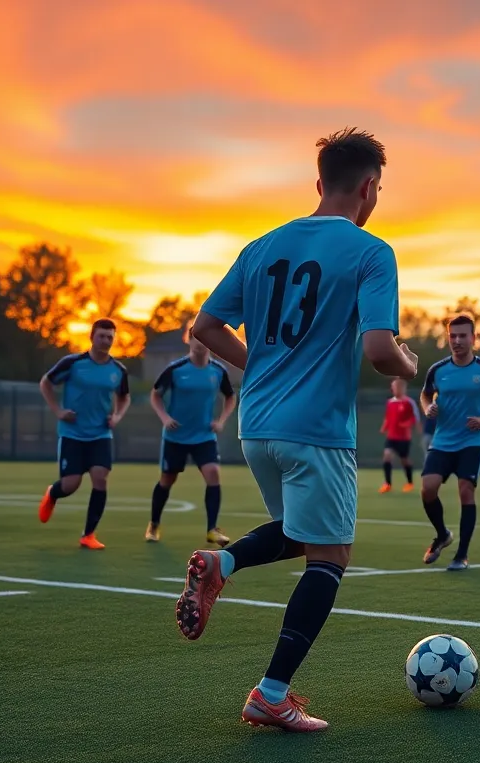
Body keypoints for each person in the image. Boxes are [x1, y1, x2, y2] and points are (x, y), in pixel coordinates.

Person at [181, 128, 418, 732]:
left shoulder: (262, 247)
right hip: (315, 429)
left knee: (299, 532)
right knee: (330, 557)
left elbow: (204, 329)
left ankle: (223, 564)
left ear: (319, 183)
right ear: (370, 188)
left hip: (255, 425)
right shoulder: (370, 252)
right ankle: (271, 693)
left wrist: (258, 365)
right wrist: (411, 364)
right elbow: (379, 349)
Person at [419, 316, 480, 571]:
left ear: (473, 338)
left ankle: (461, 555)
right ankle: (442, 535)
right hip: (443, 440)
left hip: (472, 440)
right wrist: (428, 408)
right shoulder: (438, 370)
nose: (457, 341)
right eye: (453, 336)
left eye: (462, 336)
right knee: (427, 488)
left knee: (465, 489)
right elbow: (425, 395)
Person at [37, 319, 131, 550]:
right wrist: (58, 411)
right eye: (102, 336)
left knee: (100, 477)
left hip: (100, 434)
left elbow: (124, 396)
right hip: (73, 434)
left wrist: (117, 416)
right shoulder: (73, 363)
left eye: (110, 337)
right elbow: (46, 383)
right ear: (91, 337)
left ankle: (88, 535)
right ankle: (53, 493)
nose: (106, 341)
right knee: (71, 484)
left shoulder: (118, 370)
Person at [146, 333, 237, 544]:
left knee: (213, 473)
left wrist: (221, 420)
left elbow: (231, 397)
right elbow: (155, 394)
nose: (200, 343)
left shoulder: (218, 371)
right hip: (175, 437)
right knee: (167, 480)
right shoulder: (176, 369)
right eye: (196, 338)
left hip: (204, 436)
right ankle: (154, 525)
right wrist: (165, 417)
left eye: (204, 339)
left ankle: (212, 530)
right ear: (189, 341)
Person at [379, 378, 419, 493]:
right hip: (391, 436)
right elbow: (388, 417)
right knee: (387, 456)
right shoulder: (390, 402)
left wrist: (406, 424)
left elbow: (413, 418)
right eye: (393, 387)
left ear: (403, 389)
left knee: (404, 460)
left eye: (397, 387)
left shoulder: (408, 402)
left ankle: (410, 482)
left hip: (403, 438)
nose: (395, 389)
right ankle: (387, 484)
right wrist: (384, 427)